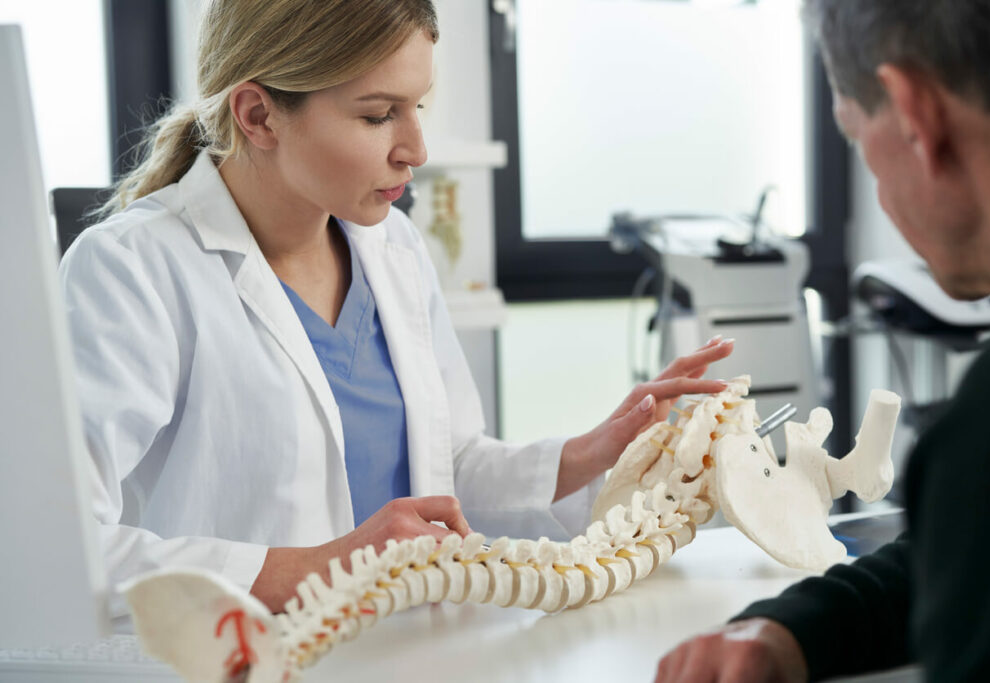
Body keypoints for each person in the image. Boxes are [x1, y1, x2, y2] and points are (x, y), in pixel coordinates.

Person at [59, 0, 734, 622]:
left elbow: (446, 471)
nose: (416, 147)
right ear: (258, 115)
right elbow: (61, 547)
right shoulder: (131, 269)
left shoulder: (393, 246)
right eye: (379, 114)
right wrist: (324, 567)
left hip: (416, 648)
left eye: (417, 106)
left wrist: (588, 452)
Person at [655, 0, 990, 681]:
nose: (880, 193)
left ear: (917, 119)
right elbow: (986, 553)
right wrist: (792, 631)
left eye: (855, 136)